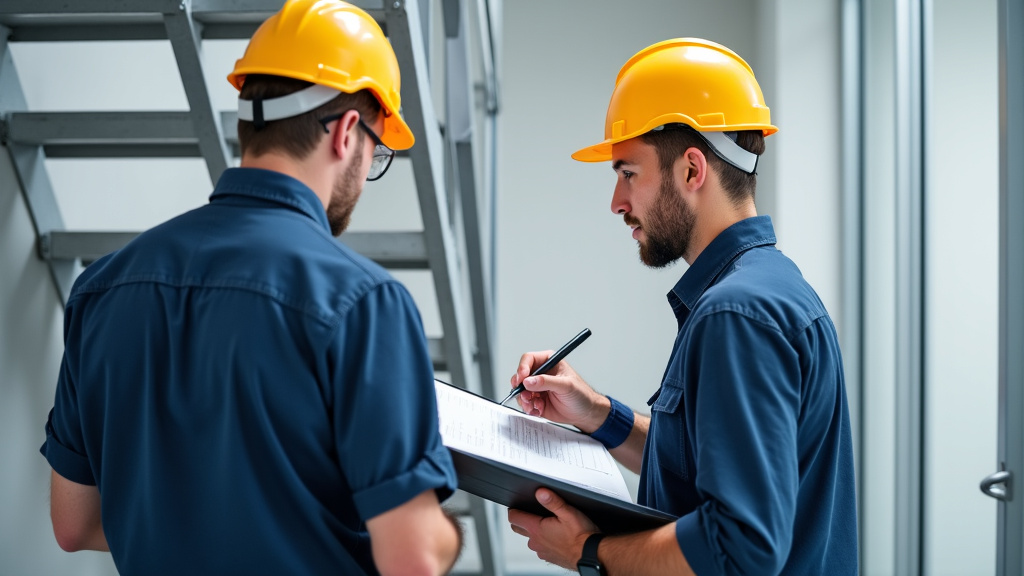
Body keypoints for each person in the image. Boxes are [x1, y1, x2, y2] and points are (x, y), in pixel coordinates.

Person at [38, 2, 462, 574]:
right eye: (376, 152)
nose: (367, 174)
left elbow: (73, 525)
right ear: (346, 133)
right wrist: (443, 531)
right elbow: (413, 558)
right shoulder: (363, 302)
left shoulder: (101, 288)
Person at [506, 38, 857, 575]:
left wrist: (588, 552)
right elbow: (702, 467)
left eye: (628, 173)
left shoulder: (736, 315)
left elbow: (738, 548)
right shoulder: (766, 292)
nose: (617, 203)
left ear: (692, 170)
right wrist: (596, 413)